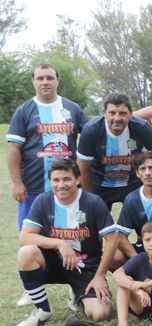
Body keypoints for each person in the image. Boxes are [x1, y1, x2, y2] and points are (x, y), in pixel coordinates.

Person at [7, 63, 88, 307]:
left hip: (68, 188)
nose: (45, 82)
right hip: (34, 187)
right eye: (40, 78)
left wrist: (85, 178)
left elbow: (89, 140)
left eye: (49, 78)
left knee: (71, 234)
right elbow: (14, 149)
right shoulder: (24, 111)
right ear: (33, 81)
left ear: (57, 80)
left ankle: (75, 284)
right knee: (30, 237)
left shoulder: (72, 109)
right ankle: (31, 287)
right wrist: (16, 182)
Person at [15, 159, 116, 326]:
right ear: (50, 181)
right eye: (56, 180)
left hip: (85, 267)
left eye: (67, 179)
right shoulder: (43, 201)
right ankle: (42, 310)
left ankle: (78, 295)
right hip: (53, 263)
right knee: (26, 252)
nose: (61, 185)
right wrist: (59, 243)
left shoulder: (93, 202)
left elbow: (112, 239)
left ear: (78, 179)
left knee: (101, 314)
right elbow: (25, 237)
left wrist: (100, 276)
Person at [77, 93, 152, 211]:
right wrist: (89, 197)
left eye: (122, 113)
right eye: (112, 113)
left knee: (142, 218)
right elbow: (83, 167)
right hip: (100, 184)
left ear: (130, 114)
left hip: (132, 183)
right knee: (97, 221)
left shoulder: (141, 127)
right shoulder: (91, 130)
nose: (117, 118)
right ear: (104, 114)